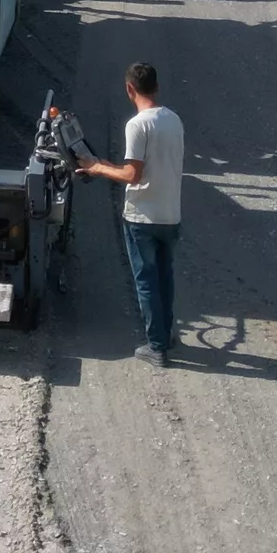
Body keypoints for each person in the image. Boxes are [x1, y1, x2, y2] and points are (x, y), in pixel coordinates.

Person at [78, 61, 184, 366]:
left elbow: (133, 175)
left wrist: (96, 168)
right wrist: (101, 162)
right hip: (170, 213)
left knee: (146, 281)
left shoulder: (137, 125)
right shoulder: (174, 120)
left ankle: (156, 347)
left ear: (129, 89)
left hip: (142, 218)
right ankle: (166, 334)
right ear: (157, 86)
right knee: (165, 277)